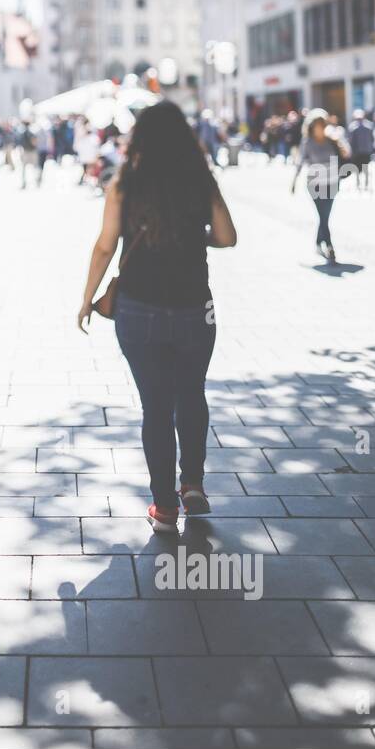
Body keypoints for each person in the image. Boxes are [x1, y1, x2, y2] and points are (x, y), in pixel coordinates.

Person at [78, 101, 238, 533]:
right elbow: (227, 237)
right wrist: (190, 234)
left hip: (138, 308)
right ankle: (193, 485)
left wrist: (87, 298)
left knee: (155, 405)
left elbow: (105, 246)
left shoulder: (125, 183)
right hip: (194, 308)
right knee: (191, 393)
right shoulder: (201, 180)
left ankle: (164, 506)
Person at [291, 108, 348, 264]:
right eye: (317, 125)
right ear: (311, 126)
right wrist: (294, 181)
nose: (321, 128)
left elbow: (345, 154)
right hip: (315, 184)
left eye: (323, 125)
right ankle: (329, 247)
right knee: (323, 216)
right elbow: (300, 161)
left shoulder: (332, 139)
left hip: (332, 182)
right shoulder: (307, 142)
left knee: (325, 216)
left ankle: (318, 243)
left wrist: (340, 144)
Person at [346, 110, 374, 190]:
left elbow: (350, 140)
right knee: (364, 168)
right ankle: (364, 183)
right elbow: (372, 139)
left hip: (358, 151)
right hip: (365, 151)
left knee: (358, 168)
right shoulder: (369, 126)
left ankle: (360, 183)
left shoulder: (353, 127)